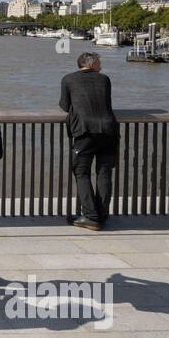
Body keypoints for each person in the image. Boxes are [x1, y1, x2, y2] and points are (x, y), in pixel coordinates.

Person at [59, 51, 119, 231]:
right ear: (91, 64)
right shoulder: (104, 79)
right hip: (109, 131)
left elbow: (64, 105)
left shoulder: (68, 79)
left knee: (81, 172)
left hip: (84, 132)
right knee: (104, 173)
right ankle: (101, 214)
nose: (101, 65)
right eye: (99, 62)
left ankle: (90, 216)